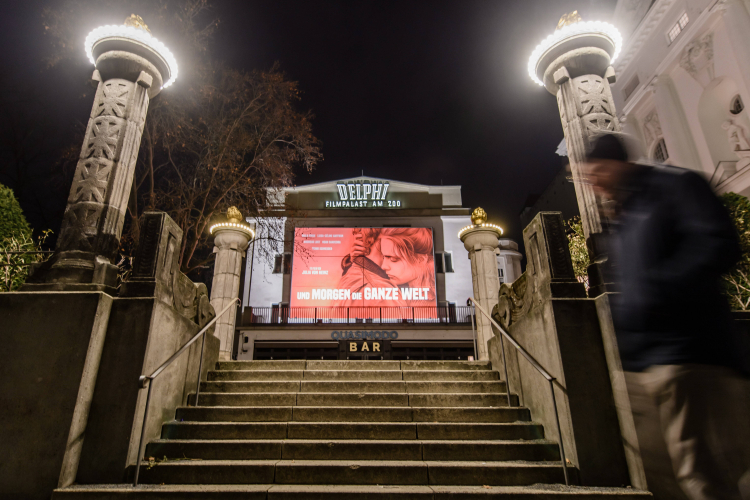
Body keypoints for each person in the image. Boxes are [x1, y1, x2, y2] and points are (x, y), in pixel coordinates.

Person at [585, 133, 750, 500]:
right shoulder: (624, 215)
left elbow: (719, 245)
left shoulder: (675, 187)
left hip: (692, 353)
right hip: (649, 363)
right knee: (670, 472)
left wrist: (659, 293)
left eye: (597, 172)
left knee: (704, 470)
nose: (593, 183)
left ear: (618, 164)